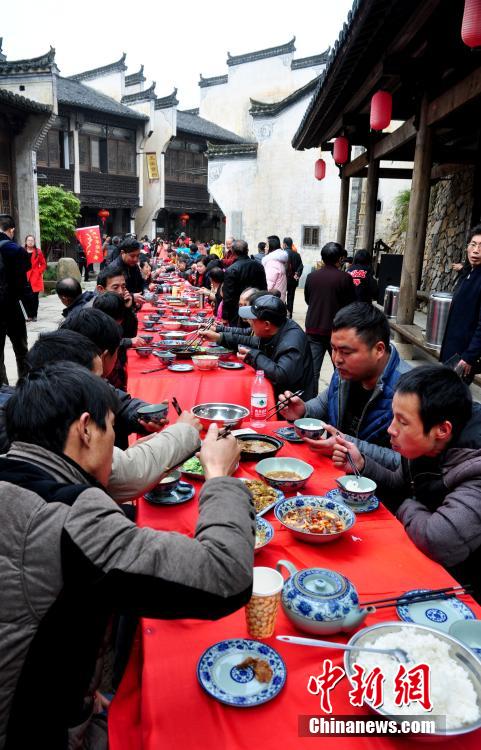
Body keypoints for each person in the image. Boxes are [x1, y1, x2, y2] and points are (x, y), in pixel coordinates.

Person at [0, 361, 254, 748]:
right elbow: (225, 574)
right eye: (113, 429)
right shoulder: (71, 517)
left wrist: (79, 691)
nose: (115, 445)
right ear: (86, 429)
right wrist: (219, 478)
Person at [332, 365, 481, 602]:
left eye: (402, 422)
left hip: (461, 590)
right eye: (393, 417)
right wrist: (362, 466)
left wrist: (405, 502)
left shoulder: (474, 467)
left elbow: (438, 540)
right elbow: (400, 481)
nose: (391, 429)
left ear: (442, 429)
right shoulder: (426, 444)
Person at [279, 303, 410, 468]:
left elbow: (405, 463)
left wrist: (345, 443)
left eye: (346, 352)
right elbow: (325, 403)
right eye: (333, 349)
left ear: (379, 350)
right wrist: (303, 410)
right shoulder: (346, 371)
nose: (337, 359)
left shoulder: (409, 391)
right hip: (337, 470)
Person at [206, 294, 315, 400]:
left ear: (267, 325)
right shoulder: (276, 328)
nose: (249, 321)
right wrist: (219, 337)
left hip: (293, 406)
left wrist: (253, 356)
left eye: (253, 319)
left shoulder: (292, 342)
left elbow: (281, 375)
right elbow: (249, 340)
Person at [304, 241, 356, 394]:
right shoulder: (345, 278)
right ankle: (338, 400)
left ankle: (311, 403)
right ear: (339, 259)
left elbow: (308, 299)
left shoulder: (312, 276)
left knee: (313, 371)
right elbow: (350, 304)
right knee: (340, 369)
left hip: (314, 327)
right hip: (337, 330)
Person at [440, 225, 481, 384]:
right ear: (467, 248)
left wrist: (469, 356)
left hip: (464, 357)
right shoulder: (468, 273)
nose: (476, 250)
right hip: (451, 350)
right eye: (473, 244)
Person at [0, 214, 30, 385]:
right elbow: (23, 278)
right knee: (21, 350)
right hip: (12, 307)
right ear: (11, 230)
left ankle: (2, 391)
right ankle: (25, 385)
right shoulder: (15, 249)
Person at [222, 240, 267, 325]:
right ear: (247, 250)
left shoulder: (231, 270)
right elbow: (264, 289)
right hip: (256, 308)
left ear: (233, 252)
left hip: (237, 311)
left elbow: (228, 296)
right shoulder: (259, 266)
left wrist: (225, 316)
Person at [106, 238, 145, 305]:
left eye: (138, 256)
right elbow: (110, 295)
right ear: (122, 253)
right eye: (132, 256)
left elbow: (140, 283)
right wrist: (132, 297)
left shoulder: (134, 265)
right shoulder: (114, 269)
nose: (136, 259)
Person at [24, 234, 47, 321]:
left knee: (34, 297)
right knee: (26, 297)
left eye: (32, 240)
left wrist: (39, 271)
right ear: (26, 242)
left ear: (34, 242)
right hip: (25, 276)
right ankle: (29, 315)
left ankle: (34, 315)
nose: (30, 242)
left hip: (35, 277)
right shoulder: (22, 251)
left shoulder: (38, 251)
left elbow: (43, 264)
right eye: (28, 240)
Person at [283, 237, 304, 318]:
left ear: (284, 244)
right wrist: (297, 274)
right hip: (293, 280)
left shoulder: (282, 254)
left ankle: (283, 313)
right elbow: (301, 266)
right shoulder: (297, 254)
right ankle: (290, 314)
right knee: (291, 297)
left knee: (282, 296)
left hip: (284, 279)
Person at [263, 235, 288, 301]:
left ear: (271, 247)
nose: (265, 248)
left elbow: (268, 285)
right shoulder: (278, 261)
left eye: (266, 246)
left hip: (272, 300)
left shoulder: (272, 263)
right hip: (277, 298)